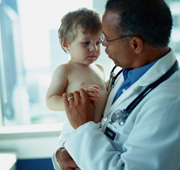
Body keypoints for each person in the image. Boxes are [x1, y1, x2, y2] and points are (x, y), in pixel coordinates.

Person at [56, 0, 180, 170]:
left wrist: (83, 128)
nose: (102, 47)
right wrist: (60, 154)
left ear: (134, 44)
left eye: (105, 39)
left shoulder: (169, 103)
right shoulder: (123, 73)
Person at [46, 8, 108, 170]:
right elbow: (51, 100)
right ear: (66, 43)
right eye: (86, 42)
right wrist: (76, 99)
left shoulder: (100, 68)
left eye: (98, 42)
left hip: (98, 130)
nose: (94, 48)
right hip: (75, 130)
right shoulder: (65, 69)